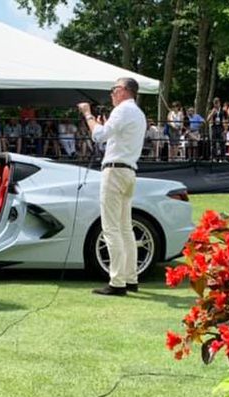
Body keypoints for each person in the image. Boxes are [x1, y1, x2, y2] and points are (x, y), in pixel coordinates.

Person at [78, 77, 146, 296]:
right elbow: (113, 136)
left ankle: (117, 281)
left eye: (114, 89)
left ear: (124, 90)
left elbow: (98, 136)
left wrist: (88, 115)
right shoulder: (138, 113)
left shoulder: (123, 110)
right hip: (128, 171)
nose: (111, 94)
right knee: (125, 227)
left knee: (111, 228)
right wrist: (104, 124)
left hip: (115, 170)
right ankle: (130, 277)